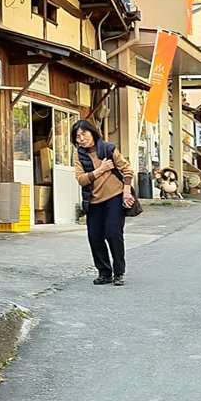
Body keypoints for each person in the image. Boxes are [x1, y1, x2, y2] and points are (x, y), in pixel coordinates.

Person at [71, 119, 136, 286]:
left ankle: (119, 273)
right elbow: (81, 179)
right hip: (93, 201)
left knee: (113, 233)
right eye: (77, 136)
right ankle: (105, 273)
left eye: (84, 133)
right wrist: (100, 170)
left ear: (92, 132)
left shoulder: (108, 149)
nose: (82, 138)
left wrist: (126, 191)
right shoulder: (78, 155)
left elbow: (127, 170)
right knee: (95, 237)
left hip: (115, 196)